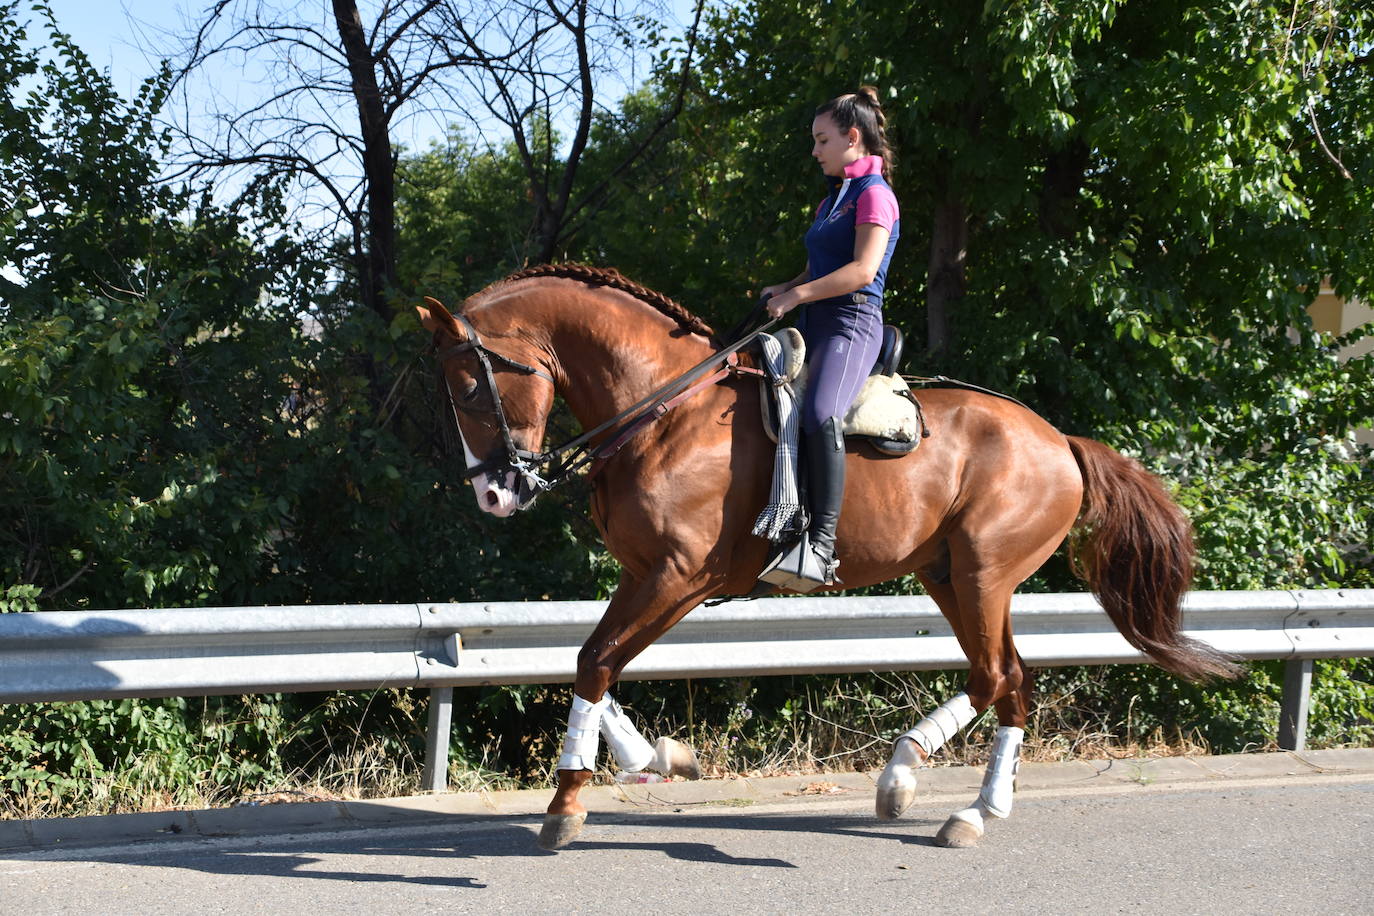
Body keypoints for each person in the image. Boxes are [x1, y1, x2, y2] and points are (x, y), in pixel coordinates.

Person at [759, 86, 900, 587]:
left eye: (822, 140)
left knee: (820, 414)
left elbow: (862, 270)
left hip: (852, 323)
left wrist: (796, 298)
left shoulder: (875, 195)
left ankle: (820, 545)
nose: (814, 151)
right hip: (815, 322)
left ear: (853, 138)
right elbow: (818, 263)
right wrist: (787, 285)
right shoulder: (834, 198)